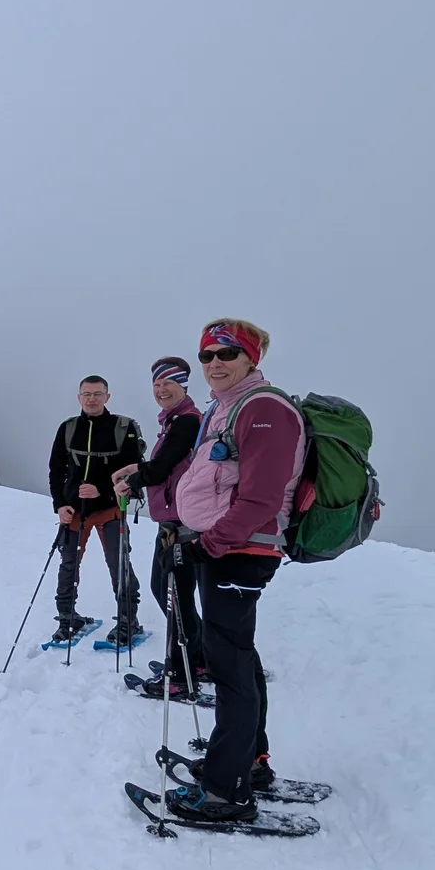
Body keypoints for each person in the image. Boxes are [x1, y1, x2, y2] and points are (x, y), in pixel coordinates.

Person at [161, 318, 307, 822]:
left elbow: (263, 496)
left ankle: (228, 790)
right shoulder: (227, 409)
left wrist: (211, 545)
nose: (215, 364)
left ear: (251, 359)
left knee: (229, 668)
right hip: (227, 549)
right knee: (237, 658)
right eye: (207, 356)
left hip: (240, 551)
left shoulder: (264, 409)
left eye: (226, 354)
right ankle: (249, 764)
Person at [111, 357, 205, 695]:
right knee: (174, 593)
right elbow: (171, 464)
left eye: (168, 383)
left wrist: (134, 480)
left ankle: (181, 677)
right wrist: (136, 470)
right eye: (156, 384)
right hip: (176, 519)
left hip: (181, 523)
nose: (160, 389)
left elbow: (163, 468)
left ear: (184, 386)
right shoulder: (178, 421)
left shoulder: (186, 422)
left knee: (171, 594)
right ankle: (198, 659)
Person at [46, 375, 145, 647]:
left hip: (110, 508)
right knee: (68, 564)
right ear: (79, 397)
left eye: (97, 394)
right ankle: (67, 617)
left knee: (118, 563)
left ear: (107, 397)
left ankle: (128, 620)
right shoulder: (67, 428)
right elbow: (56, 470)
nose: (92, 399)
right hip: (74, 511)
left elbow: (133, 467)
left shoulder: (122, 428)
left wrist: (101, 488)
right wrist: (60, 505)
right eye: (87, 394)